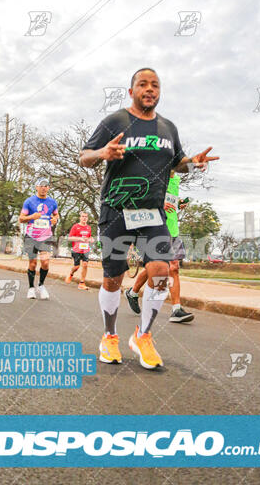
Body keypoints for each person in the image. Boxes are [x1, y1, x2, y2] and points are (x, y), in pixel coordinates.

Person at [80, 68, 219, 369]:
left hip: (151, 213)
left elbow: (178, 163)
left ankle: (142, 336)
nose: (149, 89)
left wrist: (193, 164)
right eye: (142, 84)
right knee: (112, 278)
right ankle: (109, 336)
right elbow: (84, 156)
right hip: (116, 208)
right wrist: (103, 152)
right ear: (131, 91)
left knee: (160, 270)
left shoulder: (168, 128)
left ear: (159, 92)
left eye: (155, 85)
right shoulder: (115, 121)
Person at [124, 171, 194, 323]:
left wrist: (178, 203)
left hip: (173, 228)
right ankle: (174, 309)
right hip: (156, 228)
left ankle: (134, 293)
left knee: (170, 267)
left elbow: (170, 200)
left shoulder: (175, 179)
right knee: (163, 267)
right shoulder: (153, 174)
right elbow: (136, 199)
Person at [19, 177, 58, 300]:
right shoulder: (29, 201)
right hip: (31, 236)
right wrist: (32, 216)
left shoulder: (52, 202)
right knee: (33, 263)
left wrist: (55, 219)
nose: (43, 188)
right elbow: (21, 218)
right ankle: (31, 288)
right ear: (36, 187)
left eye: (46, 185)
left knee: (45, 262)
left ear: (48, 188)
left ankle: (41, 285)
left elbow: (56, 214)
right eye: (41, 185)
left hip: (46, 236)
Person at [65, 211, 94, 290]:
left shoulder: (88, 227)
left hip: (85, 249)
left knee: (85, 265)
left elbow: (89, 237)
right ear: (80, 218)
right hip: (76, 249)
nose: (84, 218)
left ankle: (82, 283)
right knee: (76, 267)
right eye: (83, 216)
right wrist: (79, 238)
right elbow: (70, 238)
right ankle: (71, 274)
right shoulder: (75, 226)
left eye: (86, 217)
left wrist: (91, 239)